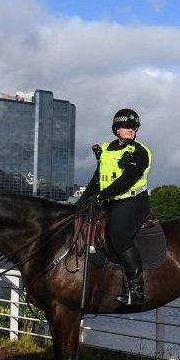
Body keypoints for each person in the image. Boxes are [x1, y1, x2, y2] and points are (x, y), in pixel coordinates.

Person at [76, 109, 152, 305]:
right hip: (110, 201)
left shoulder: (140, 152)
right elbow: (96, 179)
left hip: (133, 201)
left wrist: (100, 197)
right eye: (127, 126)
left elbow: (126, 181)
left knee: (118, 234)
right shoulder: (106, 151)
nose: (131, 130)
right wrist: (81, 203)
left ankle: (136, 289)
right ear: (116, 128)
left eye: (134, 127)